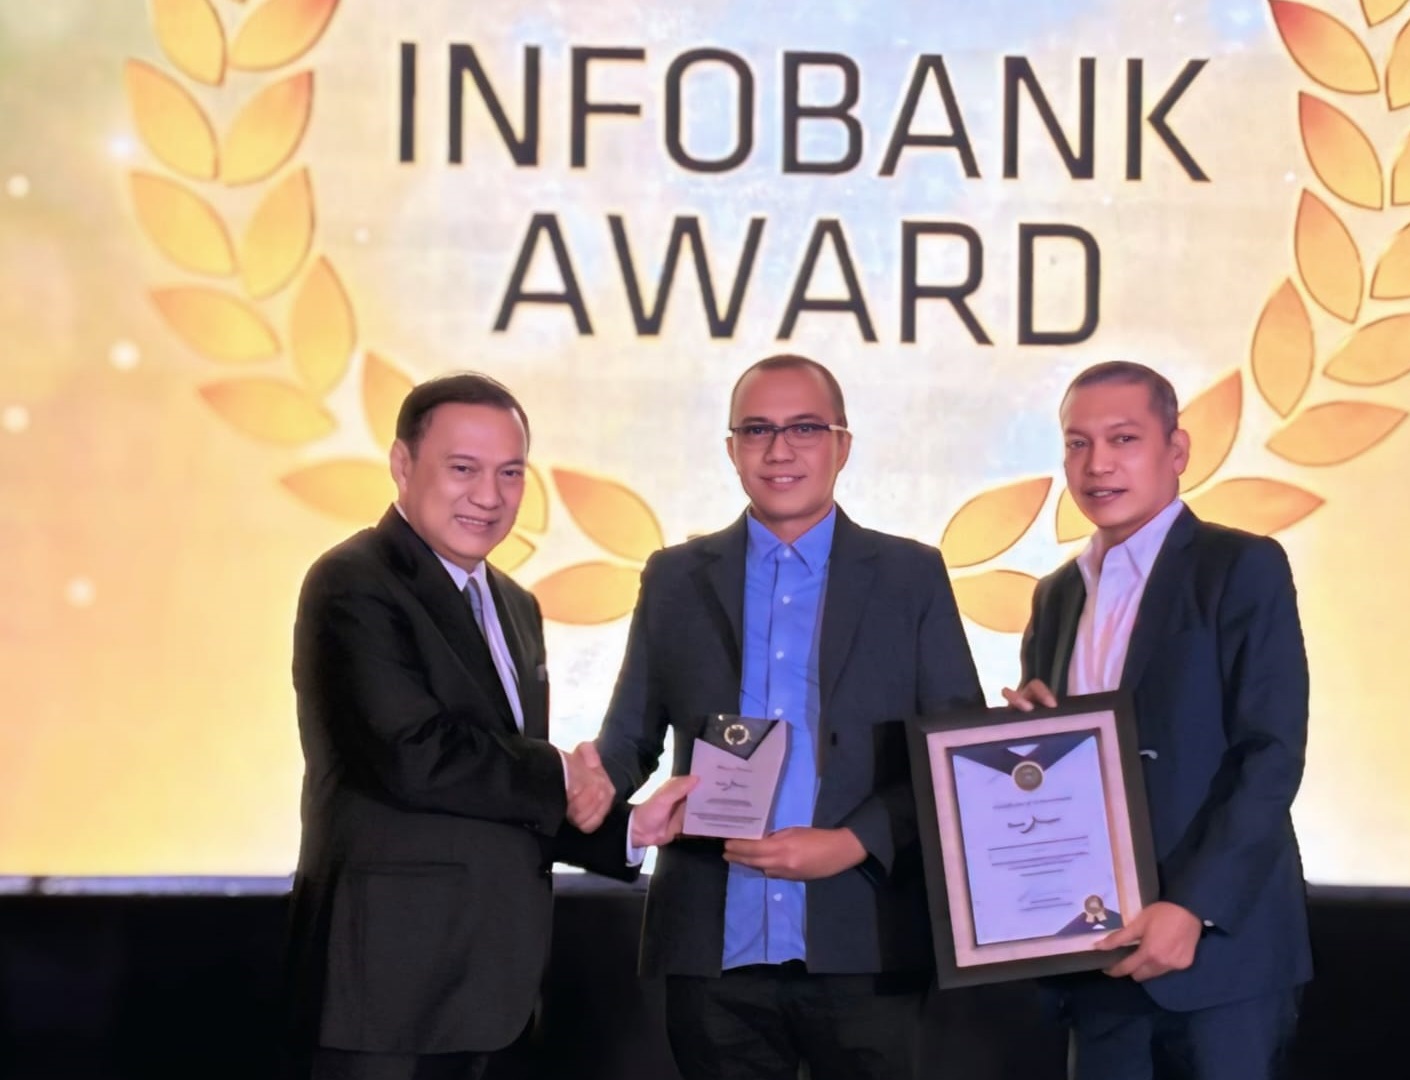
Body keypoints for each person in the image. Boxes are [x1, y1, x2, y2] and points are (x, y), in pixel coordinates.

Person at [284, 372, 695, 1080]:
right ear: (402, 465)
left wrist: (628, 829)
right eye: (463, 469)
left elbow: (500, 789)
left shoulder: (514, 605)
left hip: (491, 986)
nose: (489, 495)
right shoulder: (352, 582)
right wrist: (565, 774)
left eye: (510, 473)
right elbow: (413, 755)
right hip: (383, 986)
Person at [596, 354, 984, 1080]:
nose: (779, 450)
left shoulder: (910, 576)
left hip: (863, 936)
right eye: (757, 430)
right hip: (712, 942)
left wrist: (854, 842)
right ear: (731, 448)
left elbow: (952, 753)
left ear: (842, 444)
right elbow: (628, 739)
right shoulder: (675, 577)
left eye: (804, 428)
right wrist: (577, 786)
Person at [1004, 361, 1312, 1080]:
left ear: (1176, 451)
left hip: (1220, 952)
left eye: (1123, 439)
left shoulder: (1240, 566)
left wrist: (1192, 907)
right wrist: (1028, 747)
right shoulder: (1057, 595)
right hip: (1097, 951)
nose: (1097, 464)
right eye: (1077, 444)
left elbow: (1270, 754)